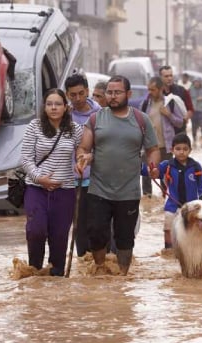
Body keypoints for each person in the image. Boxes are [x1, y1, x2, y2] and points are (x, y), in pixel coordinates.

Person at [76, 75, 160, 275]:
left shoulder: (141, 120)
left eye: (117, 92)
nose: (112, 97)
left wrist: (153, 166)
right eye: (109, 92)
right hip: (99, 188)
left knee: (125, 238)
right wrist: (82, 158)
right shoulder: (96, 118)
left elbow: (153, 149)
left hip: (128, 191)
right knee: (96, 233)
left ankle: (123, 276)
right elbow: (83, 147)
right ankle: (100, 269)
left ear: (128, 94)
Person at [21, 88, 83, 276]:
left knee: (60, 237)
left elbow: (84, 151)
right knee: (36, 230)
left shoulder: (75, 130)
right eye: (49, 104)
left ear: (65, 107)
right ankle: (35, 271)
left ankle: (56, 277)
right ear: (44, 107)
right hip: (36, 189)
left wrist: (81, 162)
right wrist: (40, 178)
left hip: (65, 192)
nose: (53, 108)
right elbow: (25, 159)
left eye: (58, 104)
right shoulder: (35, 126)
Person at [154, 133, 202, 257]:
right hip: (172, 205)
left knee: (193, 228)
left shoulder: (195, 166)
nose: (181, 152)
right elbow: (153, 172)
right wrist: (148, 170)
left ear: (190, 150)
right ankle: (168, 250)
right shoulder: (167, 165)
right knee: (168, 227)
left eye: (185, 149)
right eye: (178, 149)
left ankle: (194, 251)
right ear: (172, 150)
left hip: (191, 206)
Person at [64, 74, 101, 257]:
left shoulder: (100, 115)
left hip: (97, 180)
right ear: (67, 95)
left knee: (97, 226)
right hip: (71, 181)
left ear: (87, 91)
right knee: (78, 228)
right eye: (73, 95)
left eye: (81, 93)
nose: (77, 99)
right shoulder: (64, 116)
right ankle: (83, 264)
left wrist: (90, 157)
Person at [140, 76, 184, 196]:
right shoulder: (145, 104)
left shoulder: (170, 103)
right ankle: (148, 204)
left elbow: (180, 122)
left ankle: (166, 202)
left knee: (166, 176)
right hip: (149, 147)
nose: (150, 92)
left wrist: (169, 114)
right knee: (146, 176)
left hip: (166, 146)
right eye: (148, 89)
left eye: (153, 89)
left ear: (160, 89)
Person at [159, 65, 193, 133]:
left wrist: (185, 119)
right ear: (160, 77)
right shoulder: (157, 93)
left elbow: (190, 109)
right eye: (166, 76)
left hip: (179, 131)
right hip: (162, 131)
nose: (169, 78)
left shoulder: (182, 91)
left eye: (171, 75)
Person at [188, 77, 202, 143]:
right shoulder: (190, 89)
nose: (197, 83)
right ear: (193, 82)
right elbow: (187, 99)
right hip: (193, 110)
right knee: (194, 126)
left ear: (200, 82)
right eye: (195, 82)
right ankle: (194, 140)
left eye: (198, 82)